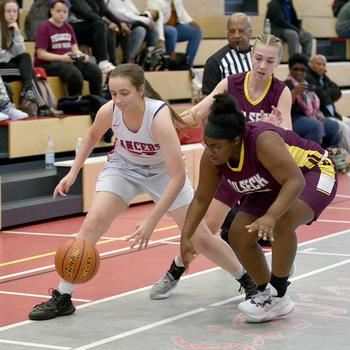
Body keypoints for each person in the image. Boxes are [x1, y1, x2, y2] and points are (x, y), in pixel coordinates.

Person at [28, 63, 256, 321]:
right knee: (93, 222)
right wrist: (72, 172)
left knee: (199, 237)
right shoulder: (110, 110)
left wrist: (152, 220)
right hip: (124, 168)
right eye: (113, 93)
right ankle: (63, 296)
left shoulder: (158, 118)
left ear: (140, 90)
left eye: (124, 93)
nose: (118, 99)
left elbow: (178, 177)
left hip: (163, 174)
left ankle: (249, 282)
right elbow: (91, 136)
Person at [150, 34, 293, 300]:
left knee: (266, 228)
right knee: (204, 229)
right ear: (251, 56)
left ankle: (273, 280)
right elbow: (196, 114)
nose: (262, 65)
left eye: (270, 61)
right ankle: (175, 272)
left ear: (278, 63)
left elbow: (288, 133)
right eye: (258, 58)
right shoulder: (231, 84)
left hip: (264, 175)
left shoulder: (281, 91)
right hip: (232, 169)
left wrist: (276, 127)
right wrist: (165, 117)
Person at [180, 92, 337, 323]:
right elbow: (201, 199)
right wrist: (186, 237)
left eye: (215, 146)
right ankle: (266, 294)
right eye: (206, 144)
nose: (209, 151)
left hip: (314, 171)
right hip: (272, 184)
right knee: (238, 234)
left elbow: (295, 181)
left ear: (235, 141)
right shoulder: (212, 158)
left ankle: (279, 292)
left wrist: (271, 216)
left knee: (282, 222)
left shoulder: (263, 141)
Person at [0, 0, 59, 116]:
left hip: (7, 64)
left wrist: (17, 31)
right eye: (8, 11)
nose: (12, 14)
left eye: (14, 11)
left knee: (26, 58)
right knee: (28, 71)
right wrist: (10, 55)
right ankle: (41, 105)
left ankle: (29, 90)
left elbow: (21, 52)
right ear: (2, 13)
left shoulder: (12, 28)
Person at [35, 0, 103, 97]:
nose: (62, 14)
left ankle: (97, 104)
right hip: (48, 64)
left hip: (67, 60)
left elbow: (75, 49)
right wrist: (61, 58)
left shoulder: (68, 27)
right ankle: (74, 105)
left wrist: (82, 55)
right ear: (51, 11)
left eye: (65, 11)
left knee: (95, 72)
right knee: (75, 75)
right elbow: (41, 54)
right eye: (58, 11)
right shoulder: (44, 27)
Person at [284, 53, 340, 148]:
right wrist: (294, 93)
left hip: (311, 117)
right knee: (316, 126)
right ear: (290, 69)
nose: (299, 72)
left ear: (306, 71)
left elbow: (316, 105)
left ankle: (324, 152)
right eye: (296, 69)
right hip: (293, 119)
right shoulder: (285, 84)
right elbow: (283, 108)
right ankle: (310, 157)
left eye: (303, 70)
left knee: (333, 126)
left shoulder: (307, 84)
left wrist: (319, 113)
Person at [306, 54, 350, 153]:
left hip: (334, 115)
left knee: (349, 122)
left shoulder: (324, 78)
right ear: (311, 65)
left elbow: (338, 92)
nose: (321, 66)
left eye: (323, 64)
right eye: (318, 64)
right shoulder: (309, 78)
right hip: (322, 115)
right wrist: (329, 94)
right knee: (344, 129)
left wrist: (327, 93)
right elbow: (324, 98)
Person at [202, 12, 252, 96]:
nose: (236, 35)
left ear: (250, 32)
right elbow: (206, 99)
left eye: (241, 31)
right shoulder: (214, 62)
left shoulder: (261, 57)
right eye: (232, 31)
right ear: (227, 34)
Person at [69, 0, 123, 73]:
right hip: (70, 28)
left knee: (108, 29)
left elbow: (105, 11)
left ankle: (112, 62)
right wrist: (108, 23)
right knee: (100, 25)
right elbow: (87, 13)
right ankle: (102, 62)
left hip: (88, 25)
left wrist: (120, 24)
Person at [147, 0, 202, 67]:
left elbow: (181, 10)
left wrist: (190, 21)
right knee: (172, 31)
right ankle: (170, 63)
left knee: (196, 32)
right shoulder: (155, 1)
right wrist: (161, 39)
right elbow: (159, 21)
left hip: (173, 26)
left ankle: (187, 65)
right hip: (158, 28)